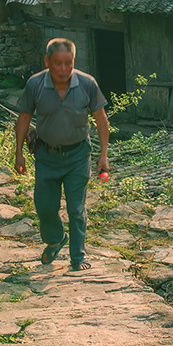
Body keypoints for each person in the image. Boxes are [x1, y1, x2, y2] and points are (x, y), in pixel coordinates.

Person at [14, 38, 109, 272]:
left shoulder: (87, 84)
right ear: (47, 61)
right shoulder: (35, 85)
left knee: (76, 208)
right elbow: (24, 118)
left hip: (78, 155)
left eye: (69, 63)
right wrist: (18, 153)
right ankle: (56, 239)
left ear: (74, 61)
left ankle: (78, 256)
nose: (64, 69)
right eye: (58, 63)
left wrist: (103, 155)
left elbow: (101, 120)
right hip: (46, 155)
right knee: (45, 206)